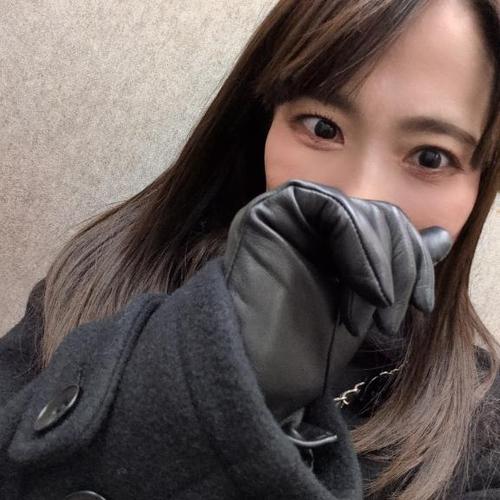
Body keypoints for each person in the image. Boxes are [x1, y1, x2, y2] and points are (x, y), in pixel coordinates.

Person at [1, 0, 499, 498]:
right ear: (262, 126)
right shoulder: (101, 279)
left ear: (481, 185)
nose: (356, 199)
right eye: (322, 127)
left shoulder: (486, 432)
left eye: (430, 157)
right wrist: (210, 377)